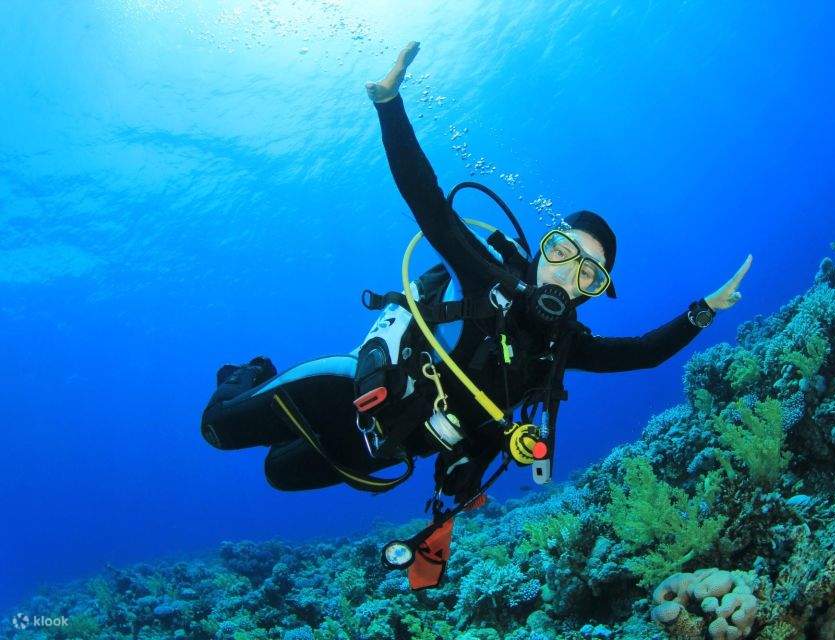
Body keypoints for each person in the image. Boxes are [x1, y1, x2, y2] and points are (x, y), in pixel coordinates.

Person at [200, 41, 751, 587]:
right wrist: (390, 107)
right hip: (349, 391)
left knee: (279, 473)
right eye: (562, 252)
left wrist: (705, 311)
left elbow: (643, 354)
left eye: (588, 272)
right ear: (543, 247)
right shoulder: (488, 277)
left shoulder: (565, 349)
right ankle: (248, 376)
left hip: (381, 448)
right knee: (218, 430)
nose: (565, 274)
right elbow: (427, 201)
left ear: (593, 290)